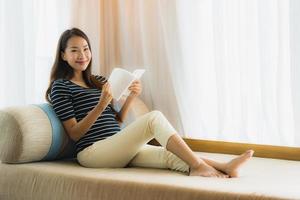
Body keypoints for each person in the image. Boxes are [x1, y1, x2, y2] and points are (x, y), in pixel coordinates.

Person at [45, 27, 254, 178]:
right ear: (63, 55)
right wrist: (100, 105)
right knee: (153, 118)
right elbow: (74, 133)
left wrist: (131, 98)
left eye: (85, 49)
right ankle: (198, 166)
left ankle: (224, 167)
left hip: (116, 146)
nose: (82, 55)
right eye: (74, 50)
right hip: (93, 153)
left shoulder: (98, 81)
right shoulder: (61, 87)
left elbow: (116, 122)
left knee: (168, 156)